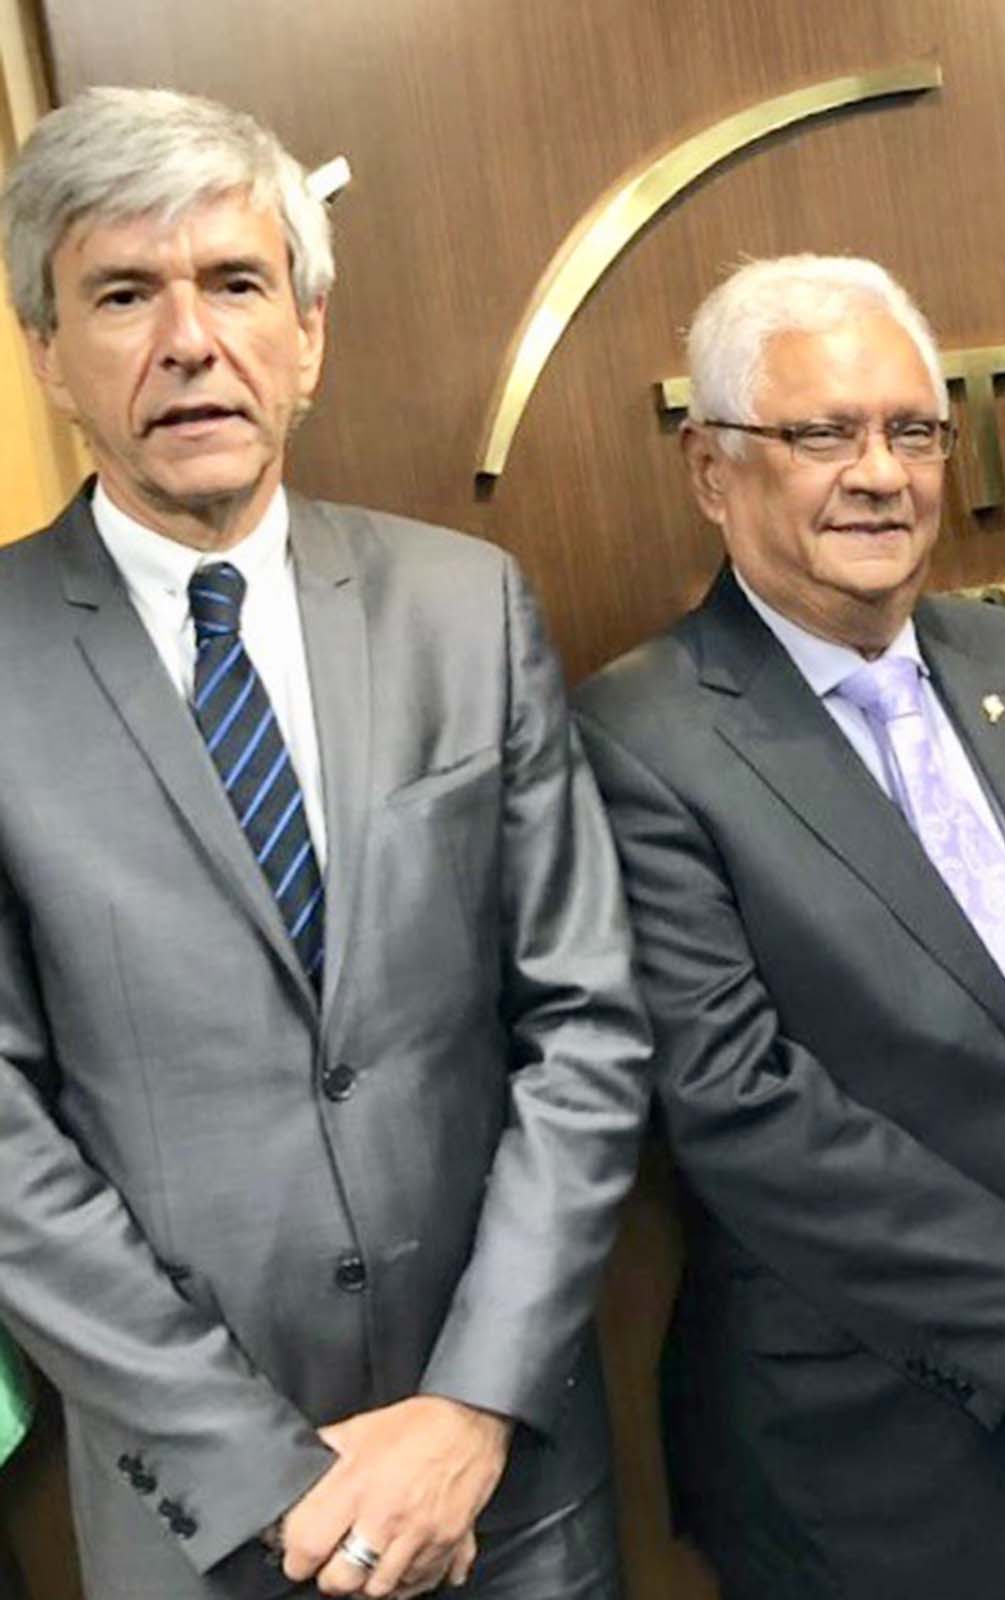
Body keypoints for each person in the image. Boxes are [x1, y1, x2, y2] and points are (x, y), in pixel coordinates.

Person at [0, 88, 650, 1599]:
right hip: (204, 1523)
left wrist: (472, 1409)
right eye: (120, 294)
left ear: (309, 330)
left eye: (233, 283)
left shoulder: (464, 607)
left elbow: (591, 1023)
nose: (188, 342)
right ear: (46, 351)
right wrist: (257, 1469)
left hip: (510, 1488)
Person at [572, 253, 1005, 1599]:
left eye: (912, 429)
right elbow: (735, 1101)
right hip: (882, 1473)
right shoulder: (637, 737)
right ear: (712, 469)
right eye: (823, 433)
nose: (881, 472)